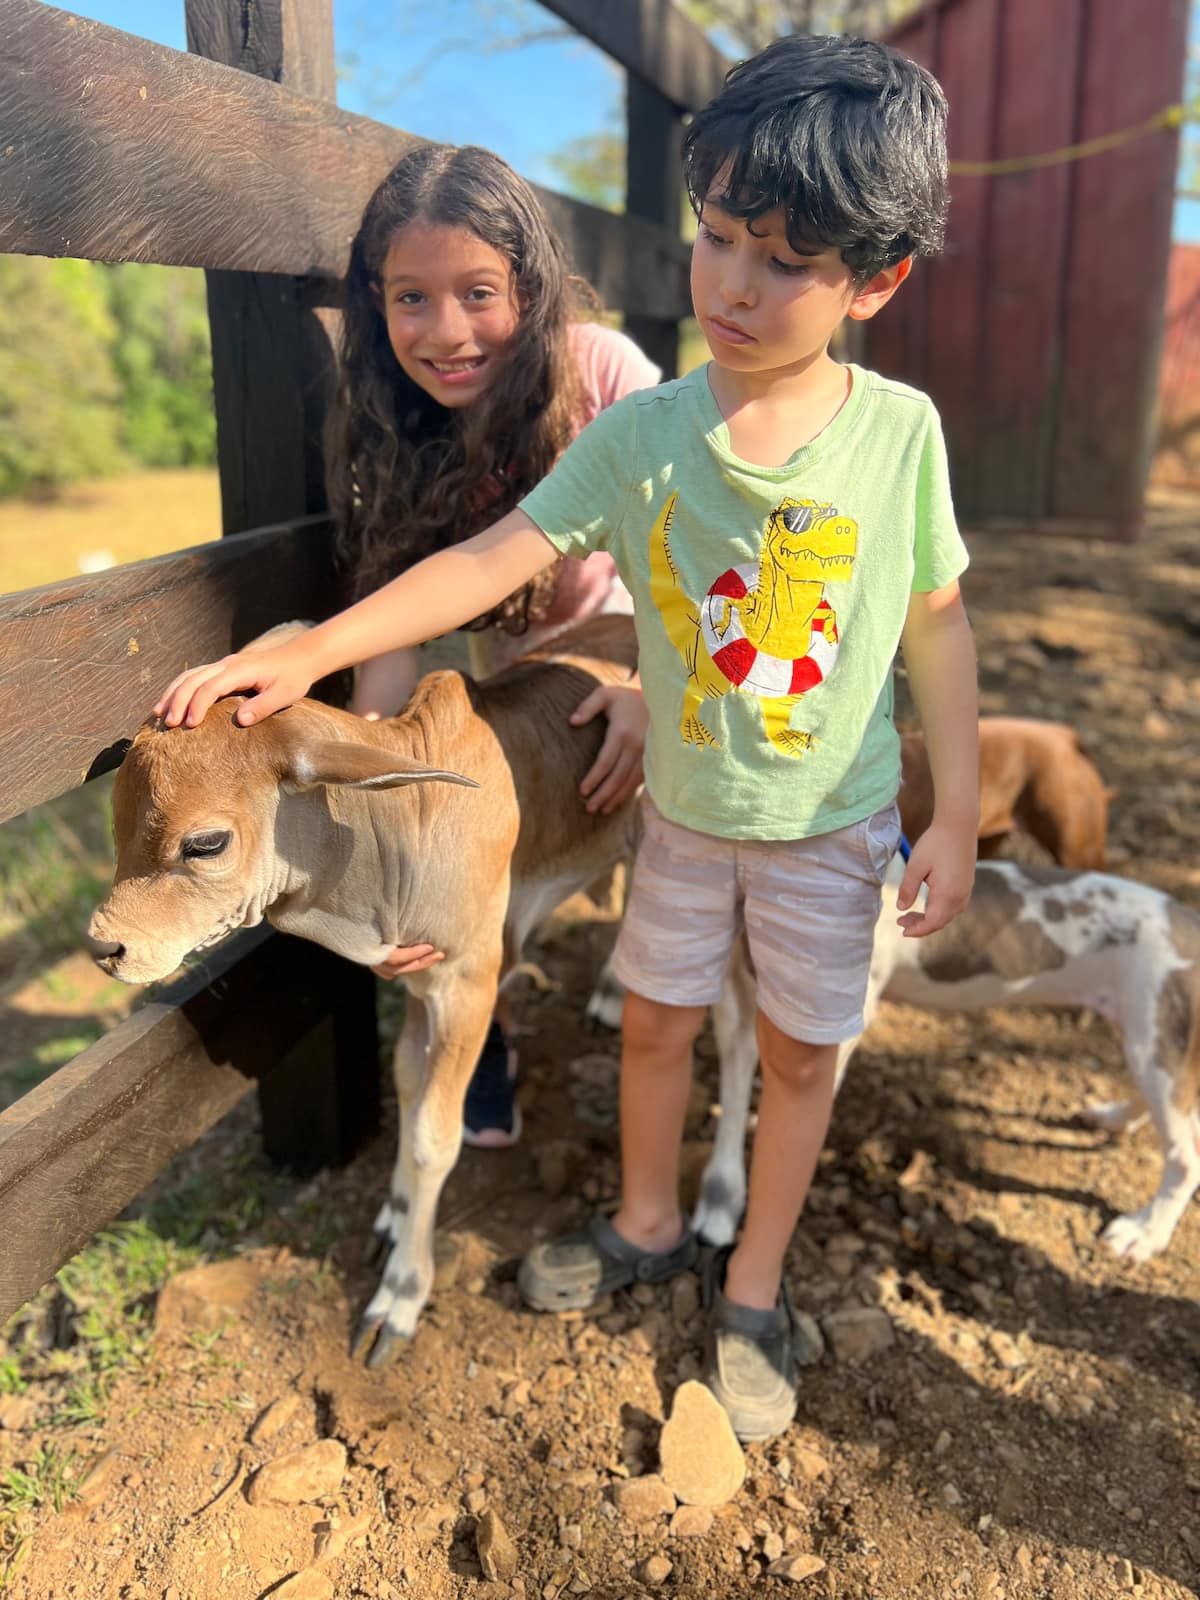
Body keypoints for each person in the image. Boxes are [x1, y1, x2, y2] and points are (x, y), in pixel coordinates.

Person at [157, 32, 978, 1443]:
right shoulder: (649, 430)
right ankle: (648, 1222)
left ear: (875, 279)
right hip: (683, 813)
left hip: (832, 827)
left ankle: (758, 1285)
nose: (732, 281)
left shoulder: (898, 437)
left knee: (793, 1054)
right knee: (653, 1024)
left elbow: (939, 628)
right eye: (718, 236)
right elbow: (484, 565)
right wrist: (312, 647)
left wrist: (951, 807)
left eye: (785, 260)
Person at [328, 143, 660, 1148]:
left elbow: (691, 551)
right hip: (504, 674)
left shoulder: (604, 373)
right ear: (376, 305)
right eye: (411, 299)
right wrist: (366, 778)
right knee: (447, 828)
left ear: (531, 283)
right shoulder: (391, 416)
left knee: (563, 811)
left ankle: (649, 968)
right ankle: (490, 1022)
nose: (448, 331)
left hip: (645, 639)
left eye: (479, 292)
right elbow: (393, 619)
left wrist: (651, 686)